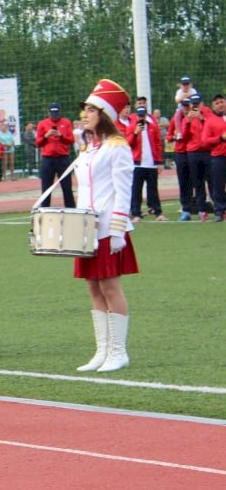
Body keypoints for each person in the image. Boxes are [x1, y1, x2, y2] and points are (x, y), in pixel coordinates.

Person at [72, 80, 138, 372]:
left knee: (110, 287)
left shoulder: (117, 147)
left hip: (109, 228)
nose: (84, 114)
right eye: (84, 110)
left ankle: (118, 351)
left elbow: (124, 190)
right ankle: (101, 351)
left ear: (105, 114)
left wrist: (118, 230)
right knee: (94, 288)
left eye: (90, 110)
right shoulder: (88, 148)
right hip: (86, 228)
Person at [124, 98, 165, 221]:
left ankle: (158, 213)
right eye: (140, 115)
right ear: (137, 115)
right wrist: (136, 132)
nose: (141, 118)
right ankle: (136, 214)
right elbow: (127, 144)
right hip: (137, 163)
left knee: (153, 189)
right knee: (136, 190)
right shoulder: (131, 126)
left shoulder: (153, 126)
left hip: (151, 163)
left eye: (143, 115)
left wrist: (159, 162)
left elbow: (158, 144)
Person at [36, 103, 76, 207]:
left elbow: (71, 140)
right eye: (53, 113)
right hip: (47, 159)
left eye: (57, 113)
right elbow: (38, 143)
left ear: (60, 112)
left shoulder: (66, 123)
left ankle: (71, 211)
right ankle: (44, 211)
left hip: (63, 159)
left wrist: (61, 136)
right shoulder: (42, 124)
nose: (55, 115)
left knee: (67, 188)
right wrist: (46, 136)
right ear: (48, 112)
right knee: (46, 188)